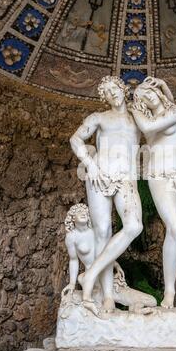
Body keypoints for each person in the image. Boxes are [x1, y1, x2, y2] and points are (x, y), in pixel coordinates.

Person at [70, 76, 143, 315]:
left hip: (126, 178)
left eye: (115, 89)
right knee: (102, 231)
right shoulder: (99, 117)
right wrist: (89, 164)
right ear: (104, 98)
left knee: (133, 226)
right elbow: (76, 138)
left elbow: (163, 116)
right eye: (107, 93)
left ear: (123, 89)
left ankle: (89, 275)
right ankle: (109, 296)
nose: (113, 94)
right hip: (99, 174)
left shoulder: (138, 117)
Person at [130, 76, 176, 310]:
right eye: (142, 95)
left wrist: (164, 88)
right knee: (175, 227)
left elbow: (154, 122)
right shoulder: (143, 118)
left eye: (149, 90)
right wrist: (136, 100)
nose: (147, 95)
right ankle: (169, 292)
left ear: (158, 92)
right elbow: (147, 127)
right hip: (159, 173)